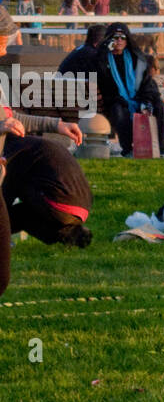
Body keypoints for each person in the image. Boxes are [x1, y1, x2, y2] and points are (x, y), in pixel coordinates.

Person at [1, 108, 87, 294]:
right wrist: (58, 125)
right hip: (81, 206)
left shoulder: (13, 151)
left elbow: (5, 195)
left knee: (10, 197)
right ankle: (65, 233)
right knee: (20, 212)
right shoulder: (29, 145)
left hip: (59, 203)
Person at [96, 23, 164, 157]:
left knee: (159, 106)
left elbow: (147, 84)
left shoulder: (137, 59)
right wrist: (106, 49)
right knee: (118, 110)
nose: (119, 40)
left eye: (123, 37)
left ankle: (160, 149)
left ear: (127, 40)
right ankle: (128, 149)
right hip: (116, 100)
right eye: (115, 37)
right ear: (109, 39)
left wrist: (146, 101)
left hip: (138, 97)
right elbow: (104, 84)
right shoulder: (103, 60)